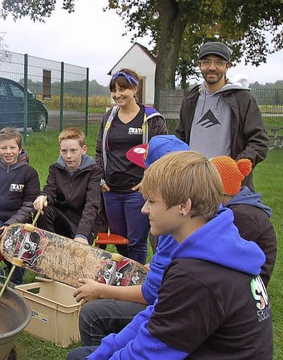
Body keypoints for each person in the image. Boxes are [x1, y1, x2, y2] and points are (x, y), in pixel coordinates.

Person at [66, 151, 272, 360]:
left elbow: (147, 354)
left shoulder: (197, 276)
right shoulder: (211, 246)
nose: (144, 210)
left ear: (184, 206)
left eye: (152, 202)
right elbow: (154, 314)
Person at [74, 135, 189, 347]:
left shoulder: (175, 224)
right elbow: (166, 265)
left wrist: (100, 291)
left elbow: (151, 295)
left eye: (147, 171)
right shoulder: (178, 214)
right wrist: (150, 267)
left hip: (175, 311)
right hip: (175, 299)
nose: (145, 209)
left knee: (92, 313)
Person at [96, 68, 167, 264]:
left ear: (135, 89)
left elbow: (162, 154)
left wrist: (148, 181)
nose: (117, 95)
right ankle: (124, 278)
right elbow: (99, 150)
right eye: (114, 90)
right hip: (111, 190)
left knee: (136, 242)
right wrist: (101, 178)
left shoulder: (151, 119)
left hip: (138, 191)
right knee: (120, 240)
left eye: (122, 89)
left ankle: (136, 280)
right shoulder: (109, 117)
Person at [176, 41, 269, 191]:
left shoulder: (243, 99)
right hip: (193, 182)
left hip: (227, 185)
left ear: (227, 66)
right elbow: (181, 137)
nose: (212, 67)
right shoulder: (190, 98)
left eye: (218, 62)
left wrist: (235, 168)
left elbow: (259, 141)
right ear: (199, 65)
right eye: (206, 62)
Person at [0, 127, 40, 285]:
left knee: (20, 245)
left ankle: (15, 281)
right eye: (4, 148)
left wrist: (11, 225)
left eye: (12, 147)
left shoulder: (29, 173)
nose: (8, 152)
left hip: (20, 222)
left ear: (20, 149)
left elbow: (29, 204)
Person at [210, 156, 277, 286]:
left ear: (218, 188)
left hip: (250, 285)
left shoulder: (241, 216)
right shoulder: (237, 207)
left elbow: (225, 255)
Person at [33, 127, 102, 245]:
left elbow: (92, 204)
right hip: (61, 219)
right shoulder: (55, 168)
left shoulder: (94, 171)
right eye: (64, 151)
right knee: (43, 208)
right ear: (59, 150)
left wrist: (82, 234)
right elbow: (50, 190)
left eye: (73, 151)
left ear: (83, 149)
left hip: (83, 223)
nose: (68, 156)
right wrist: (43, 197)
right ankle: (48, 248)